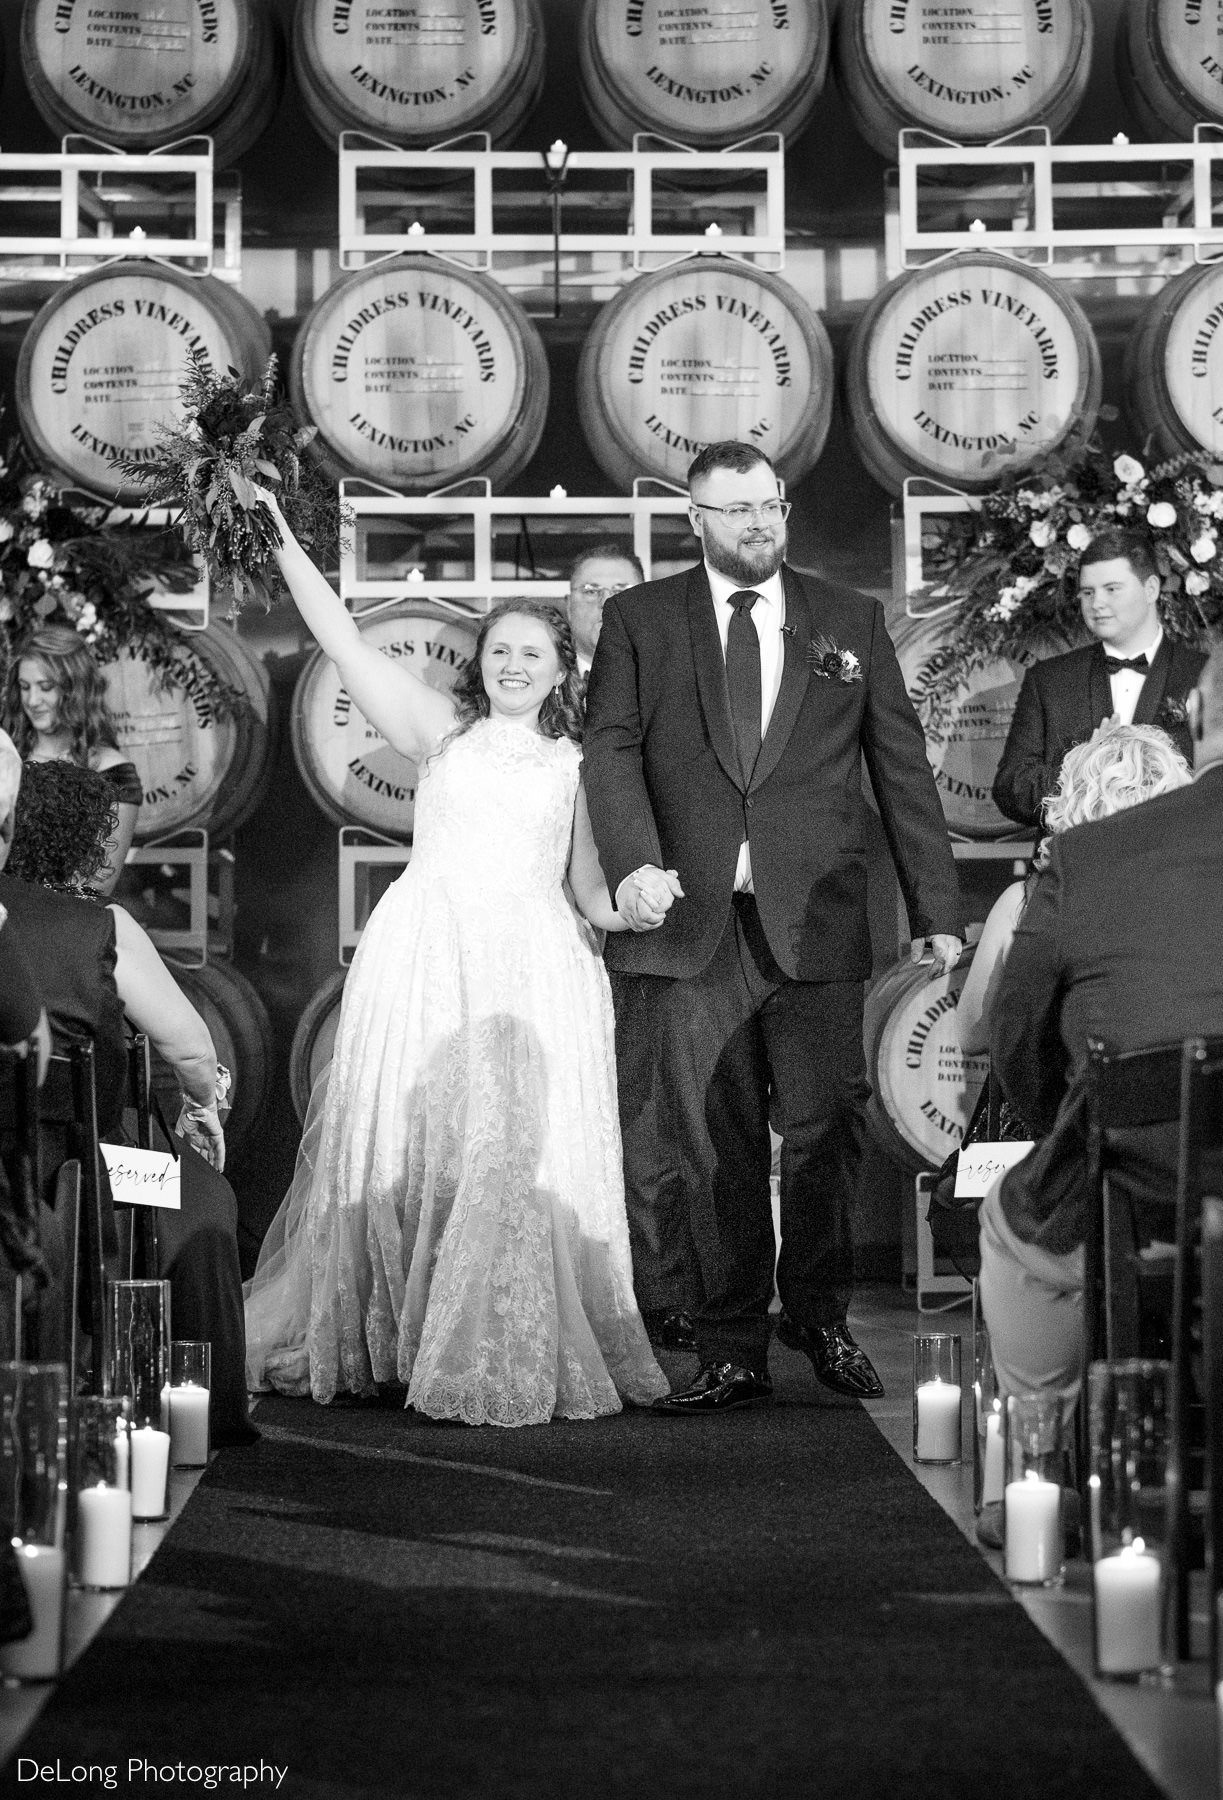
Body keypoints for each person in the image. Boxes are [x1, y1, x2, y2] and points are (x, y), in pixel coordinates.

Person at [243, 490, 667, 1425]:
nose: (513, 665)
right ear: (479, 662)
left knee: (506, 1155)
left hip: (531, 962)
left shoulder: (581, 763)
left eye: (533, 654)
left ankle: (488, 1339)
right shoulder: (439, 731)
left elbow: (590, 892)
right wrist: (274, 531)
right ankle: (388, 1338)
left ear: (562, 671)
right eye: (500, 650)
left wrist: (635, 901)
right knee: (407, 1143)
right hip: (427, 952)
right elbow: (344, 640)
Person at [583, 441, 965, 1415]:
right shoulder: (638, 620)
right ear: (693, 520)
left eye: (767, 505)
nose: (756, 523)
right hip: (690, 922)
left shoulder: (848, 620)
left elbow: (902, 772)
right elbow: (612, 749)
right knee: (711, 1144)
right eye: (734, 509)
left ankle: (820, 1316)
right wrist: (630, 866)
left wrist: (938, 919)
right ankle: (729, 1346)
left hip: (819, 921)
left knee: (824, 1129)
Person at [979, 649, 1223, 1418]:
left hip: (1154, 1173)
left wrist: (1066, 1125)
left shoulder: (1090, 854)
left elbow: (1015, 1033)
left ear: (1203, 718)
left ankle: (1040, 1459)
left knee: (1016, 1223)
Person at [0, 754, 256, 1445]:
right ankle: (201, 1412)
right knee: (204, 1197)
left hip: (13, 1162)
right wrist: (203, 1113)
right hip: (100, 1164)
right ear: (88, 839)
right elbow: (192, 1052)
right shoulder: (99, 924)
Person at [957, 724, 1193, 1058]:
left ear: (1073, 798)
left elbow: (972, 1035)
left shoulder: (1027, 900)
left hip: (1052, 1104)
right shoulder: (1195, 899)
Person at [992, 528, 1206, 830]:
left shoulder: (1206, 675)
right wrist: (1083, 764)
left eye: (1112, 589)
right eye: (1088, 592)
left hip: (1176, 866)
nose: (1097, 603)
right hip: (1075, 867)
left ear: (1151, 589)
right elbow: (1010, 790)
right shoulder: (1049, 680)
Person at [3, 623, 141, 895]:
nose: (32, 700)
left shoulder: (113, 772)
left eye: (45, 687)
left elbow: (97, 885)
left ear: (75, 689)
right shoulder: (6, 756)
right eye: (24, 686)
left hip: (64, 924)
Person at [567, 545, 643, 679]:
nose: (606, 603)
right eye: (591, 591)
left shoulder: (670, 680)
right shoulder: (543, 682)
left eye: (621, 592)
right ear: (568, 606)